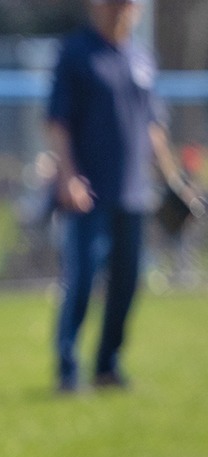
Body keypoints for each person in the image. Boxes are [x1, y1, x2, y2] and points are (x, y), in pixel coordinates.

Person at [45, 0, 189, 394]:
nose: (119, 10)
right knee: (82, 281)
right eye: (112, 3)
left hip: (134, 192)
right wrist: (68, 176)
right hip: (88, 191)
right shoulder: (77, 53)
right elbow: (58, 122)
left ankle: (107, 366)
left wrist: (173, 182)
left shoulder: (141, 58)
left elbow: (153, 127)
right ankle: (68, 369)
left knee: (127, 282)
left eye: (126, 3)